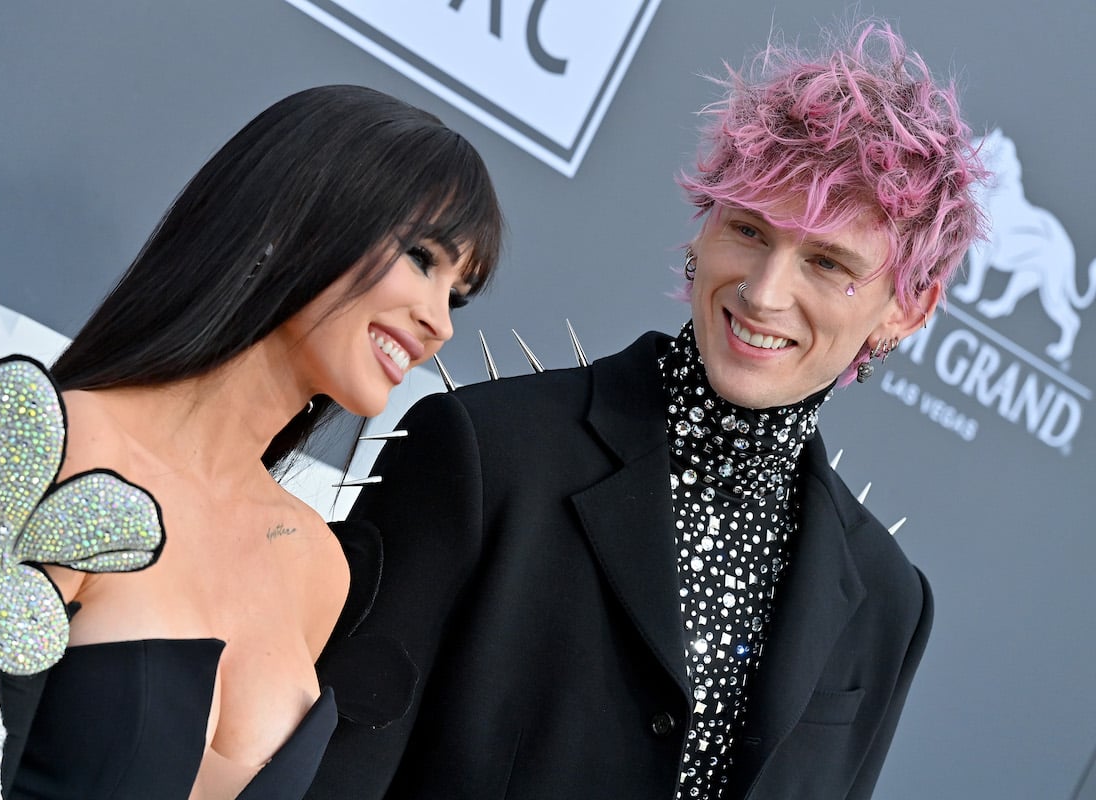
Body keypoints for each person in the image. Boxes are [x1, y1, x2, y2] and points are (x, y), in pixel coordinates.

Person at [307, 21, 986, 800]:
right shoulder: (486, 453)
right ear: (704, 228)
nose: (764, 292)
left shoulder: (887, 602)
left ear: (908, 308)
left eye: (828, 263)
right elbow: (334, 775)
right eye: (747, 231)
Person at [0, 84, 502, 799]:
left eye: (458, 295)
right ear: (303, 217)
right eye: (423, 259)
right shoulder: (60, 446)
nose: (441, 322)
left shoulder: (315, 566)